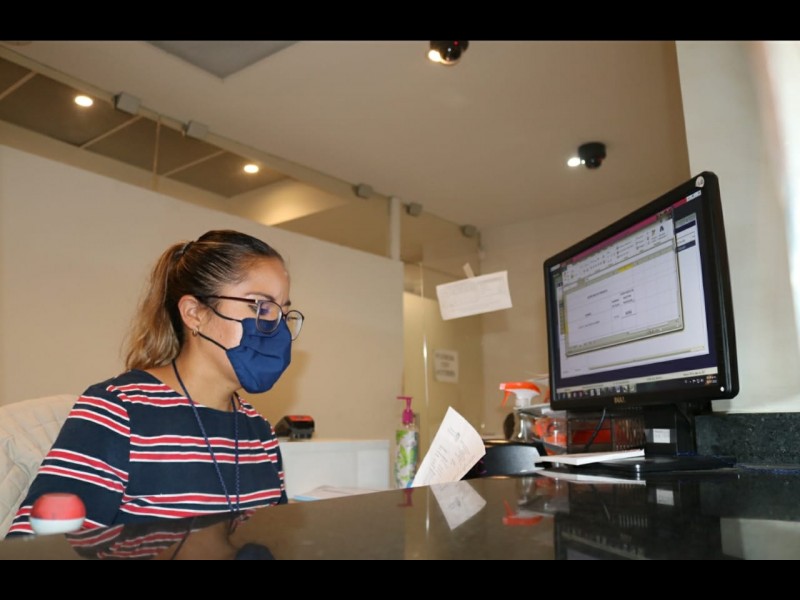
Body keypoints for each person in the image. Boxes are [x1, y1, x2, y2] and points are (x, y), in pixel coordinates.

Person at [7, 230, 303, 535]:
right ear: (195, 314)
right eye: (260, 306)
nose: (278, 329)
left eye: (283, 313)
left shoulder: (260, 432)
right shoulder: (118, 412)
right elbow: (38, 544)